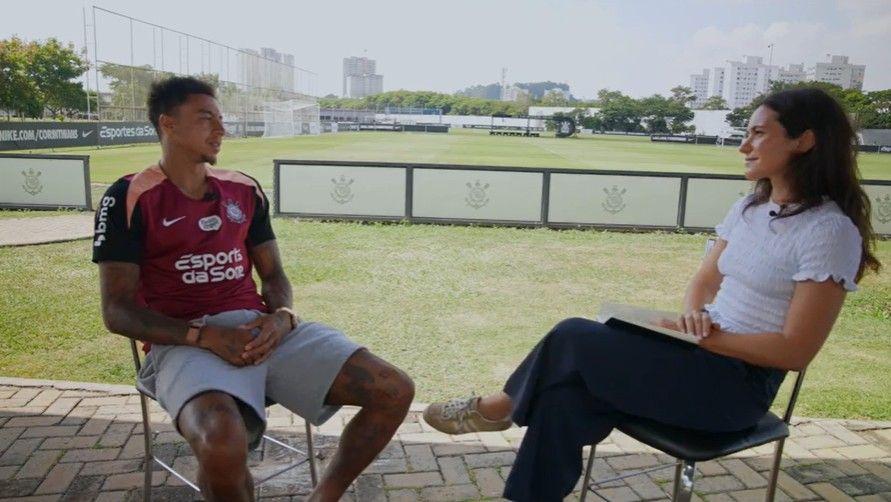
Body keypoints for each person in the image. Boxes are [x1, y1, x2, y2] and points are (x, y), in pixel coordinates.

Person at [422, 88, 881, 501]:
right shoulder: (749, 207)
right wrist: (694, 318)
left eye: (758, 134)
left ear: (804, 141)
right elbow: (704, 281)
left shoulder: (828, 232)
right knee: (562, 399)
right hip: (696, 356)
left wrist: (702, 338)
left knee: (574, 336)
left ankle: (499, 408)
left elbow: (796, 350)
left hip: (734, 391)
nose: (744, 146)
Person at [93, 76, 414, 502]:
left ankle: (325, 495)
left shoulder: (243, 189)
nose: (220, 130)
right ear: (168, 124)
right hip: (185, 341)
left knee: (394, 389)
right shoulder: (129, 196)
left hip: (263, 330)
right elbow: (117, 311)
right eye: (206, 119)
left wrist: (281, 318)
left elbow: (275, 277)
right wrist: (203, 336)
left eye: (221, 119)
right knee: (222, 445)